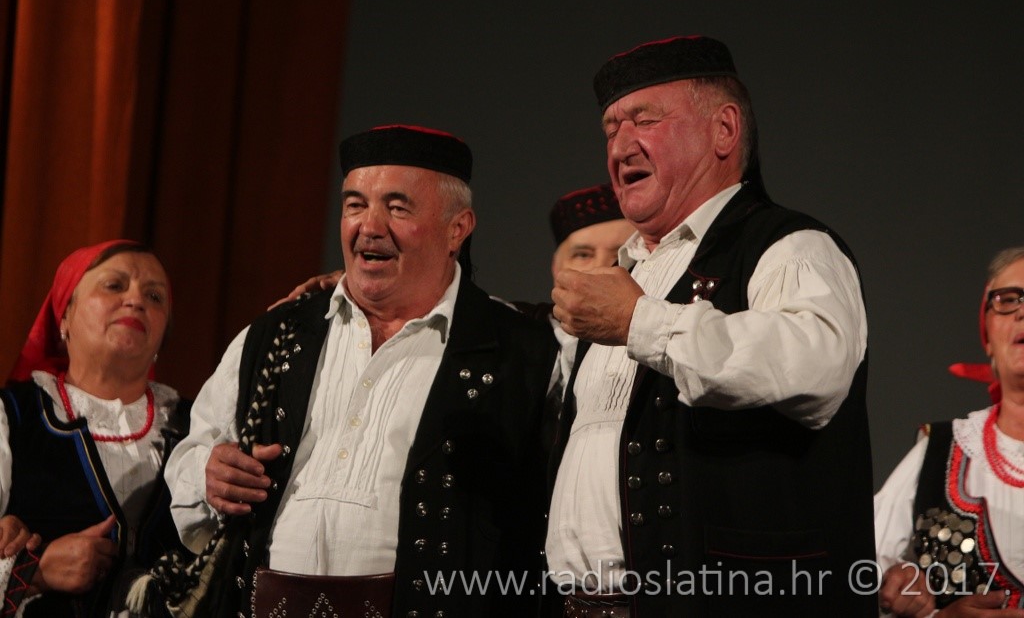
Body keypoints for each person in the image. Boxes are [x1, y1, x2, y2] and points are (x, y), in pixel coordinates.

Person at [163, 125, 559, 617]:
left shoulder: (520, 350)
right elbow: (192, 455)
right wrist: (210, 473)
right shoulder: (276, 333)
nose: (369, 227)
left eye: (398, 208)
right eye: (355, 205)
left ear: (457, 229)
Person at [547, 35, 875, 615]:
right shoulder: (626, 272)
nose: (620, 146)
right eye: (610, 129)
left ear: (724, 130)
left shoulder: (790, 247)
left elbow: (815, 368)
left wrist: (640, 321)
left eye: (645, 120)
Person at [0, 239, 190, 617]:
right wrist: (34, 571)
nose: (136, 301)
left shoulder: (197, 428)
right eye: (114, 285)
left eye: (154, 296)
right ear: (64, 317)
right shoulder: (14, 417)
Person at [874, 247, 1024, 617]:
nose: (1023, 311)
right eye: (1008, 300)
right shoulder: (940, 454)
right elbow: (857, 575)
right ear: (987, 336)